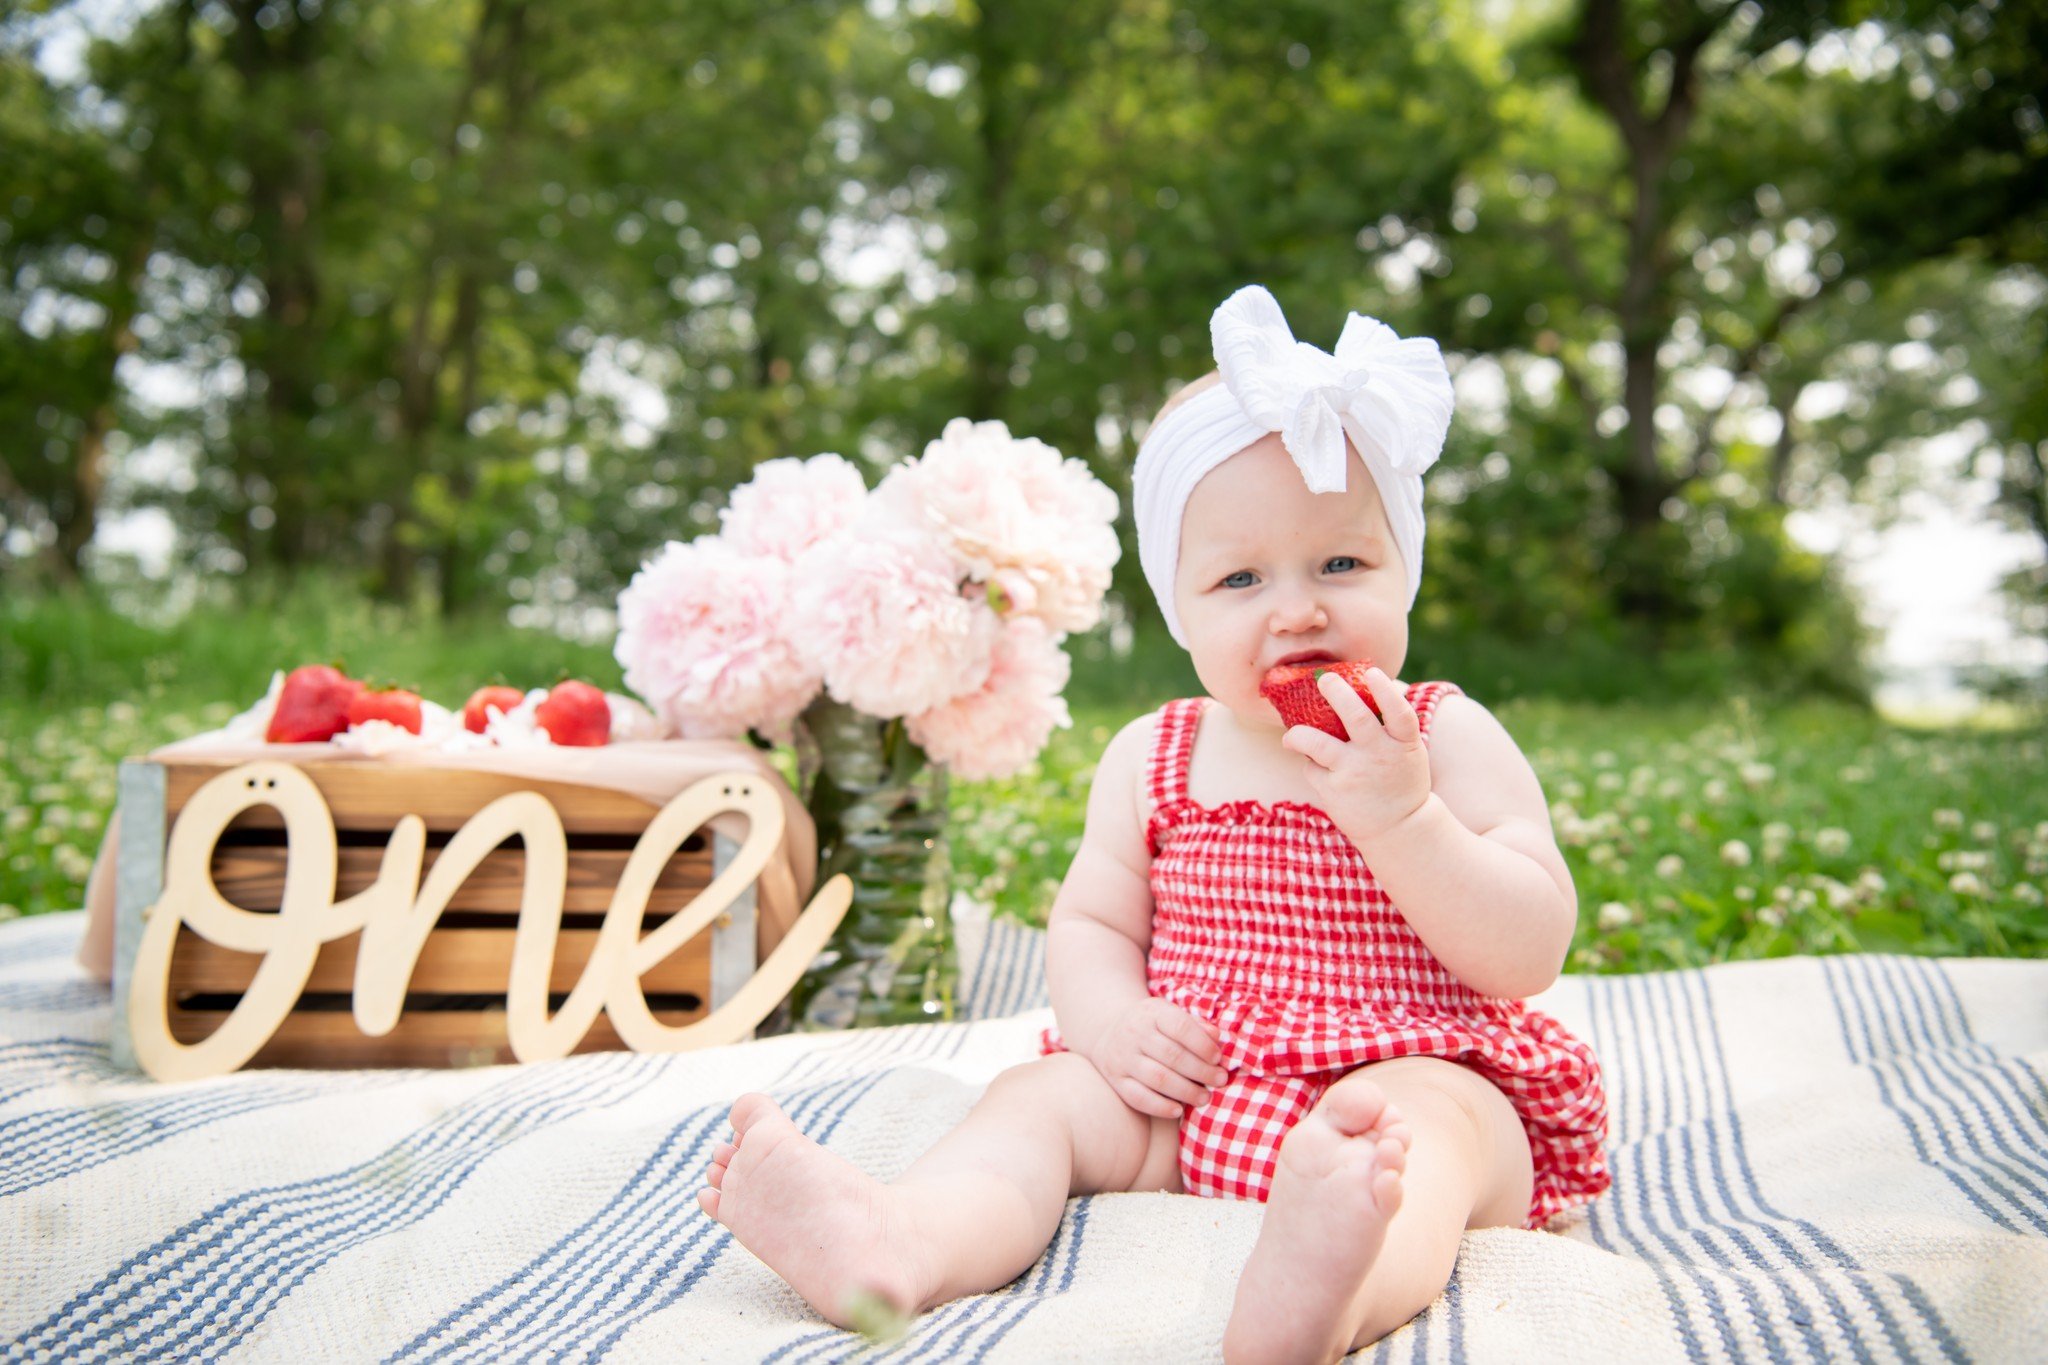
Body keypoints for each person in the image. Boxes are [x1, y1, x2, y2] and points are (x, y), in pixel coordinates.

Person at [697, 285, 1610, 1363]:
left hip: (1412, 1061)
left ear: (1400, 565)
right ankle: (903, 1241)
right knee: (1037, 1100)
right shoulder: (1154, 756)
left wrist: (1403, 818)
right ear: (1179, 608)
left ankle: (1331, 1283)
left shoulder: (1439, 737)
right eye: (1238, 578)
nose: (1297, 607)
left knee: (1423, 1143)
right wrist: (1114, 1027)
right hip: (1193, 1089)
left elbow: (1528, 947)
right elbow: (1089, 924)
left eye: (1341, 563)